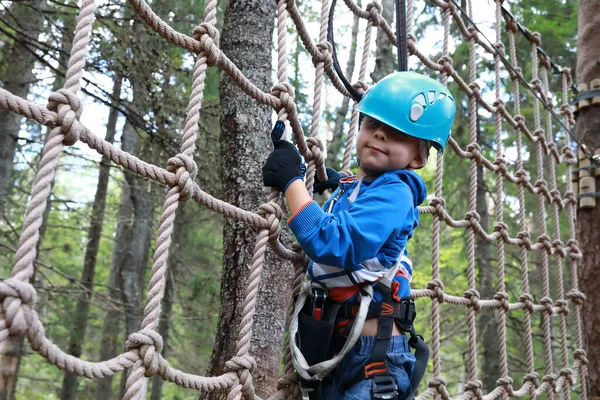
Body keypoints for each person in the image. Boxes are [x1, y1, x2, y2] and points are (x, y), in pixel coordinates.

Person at [262, 71, 456, 400]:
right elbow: (358, 212)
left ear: (419, 157)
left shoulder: (396, 193)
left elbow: (333, 242)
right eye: (371, 125)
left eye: (396, 133)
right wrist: (337, 184)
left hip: (374, 360)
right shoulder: (362, 189)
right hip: (337, 353)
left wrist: (292, 182)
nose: (379, 134)